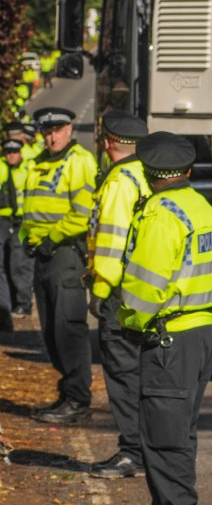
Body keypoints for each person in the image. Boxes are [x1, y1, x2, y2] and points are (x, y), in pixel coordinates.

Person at [119, 131, 212, 505]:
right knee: (179, 436)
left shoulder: (161, 216)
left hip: (169, 341)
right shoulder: (200, 207)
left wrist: (129, 323)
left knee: (163, 443)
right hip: (202, 331)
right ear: (188, 170)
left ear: (148, 172)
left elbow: (146, 288)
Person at [20, 106, 98, 423]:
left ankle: (78, 400)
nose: (52, 137)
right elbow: (31, 205)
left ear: (69, 129)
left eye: (57, 130)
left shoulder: (80, 161)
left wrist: (52, 237)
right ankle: (67, 394)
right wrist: (28, 235)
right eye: (47, 131)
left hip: (65, 252)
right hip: (42, 253)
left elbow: (81, 212)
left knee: (68, 328)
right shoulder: (39, 162)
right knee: (51, 330)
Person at [88, 111, 151, 480]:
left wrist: (99, 289)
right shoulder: (147, 175)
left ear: (108, 142)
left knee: (123, 374)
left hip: (119, 290)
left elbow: (111, 242)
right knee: (143, 374)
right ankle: (148, 448)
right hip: (145, 288)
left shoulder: (118, 182)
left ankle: (132, 452)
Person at [0, 138, 32, 329]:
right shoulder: (3, 169)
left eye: (14, 152)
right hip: (3, 220)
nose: (11, 156)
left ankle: (23, 303)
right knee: (3, 264)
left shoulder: (28, 169)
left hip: (22, 221)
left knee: (19, 263)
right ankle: (6, 306)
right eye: (7, 153)